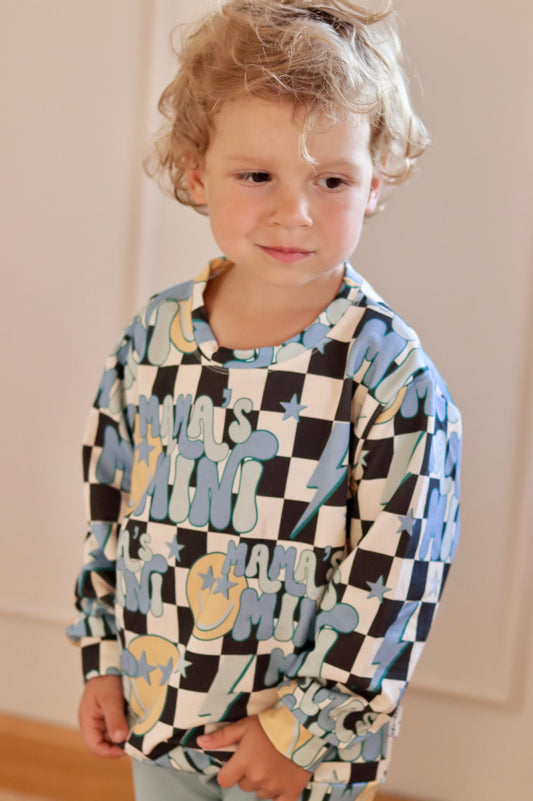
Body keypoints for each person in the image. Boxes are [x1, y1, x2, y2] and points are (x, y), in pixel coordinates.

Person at [67, 2, 462, 800]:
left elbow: (398, 574)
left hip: (296, 749)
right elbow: (110, 502)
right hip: (163, 708)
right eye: (257, 175)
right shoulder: (155, 337)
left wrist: (306, 731)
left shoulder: (385, 372)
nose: (296, 212)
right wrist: (103, 658)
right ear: (194, 170)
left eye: (332, 180)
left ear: (374, 185)